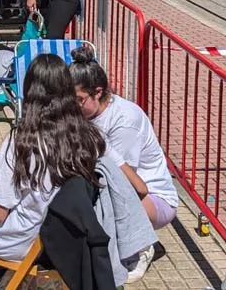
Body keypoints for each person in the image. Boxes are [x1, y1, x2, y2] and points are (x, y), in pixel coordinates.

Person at [0, 54, 130, 290]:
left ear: (29, 91)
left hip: (26, 241)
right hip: (64, 237)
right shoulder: (89, 136)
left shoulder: (23, 141)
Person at [71, 45, 177, 281]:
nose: (73, 106)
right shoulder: (90, 112)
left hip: (151, 197)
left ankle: (141, 245)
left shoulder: (125, 120)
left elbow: (124, 182)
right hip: (120, 183)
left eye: (79, 100)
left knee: (103, 197)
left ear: (98, 92)